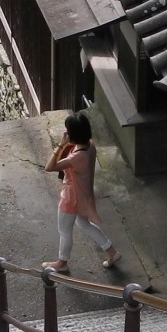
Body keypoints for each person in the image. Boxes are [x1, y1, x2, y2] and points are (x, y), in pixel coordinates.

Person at [42, 111, 119, 273]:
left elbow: (49, 167)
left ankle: (62, 263)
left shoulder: (76, 157)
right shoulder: (90, 146)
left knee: (64, 231)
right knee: (84, 224)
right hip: (84, 194)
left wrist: (61, 145)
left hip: (71, 197)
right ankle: (111, 251)